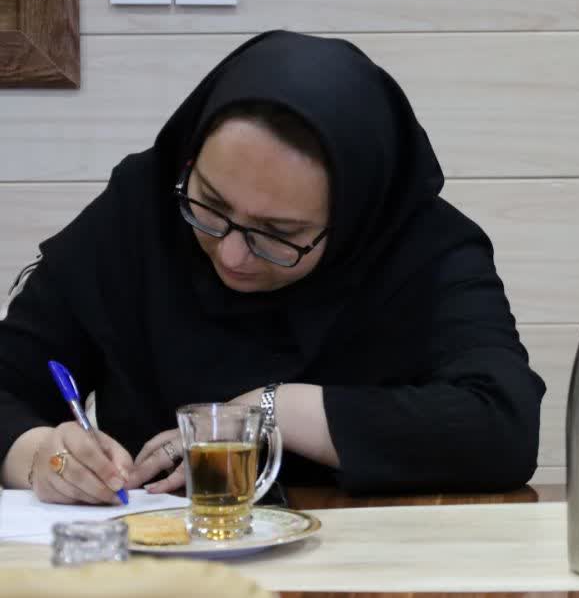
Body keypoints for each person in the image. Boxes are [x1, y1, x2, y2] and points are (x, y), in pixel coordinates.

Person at [0, 31, 545, 504]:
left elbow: (502, 426)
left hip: (373, 560)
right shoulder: (142, 209)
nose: (231, 255)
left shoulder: (423, 247)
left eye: (279, 234)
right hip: (161, 557)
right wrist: (40, 457)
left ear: (352, 219)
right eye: (210, 206)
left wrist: (269, 411)